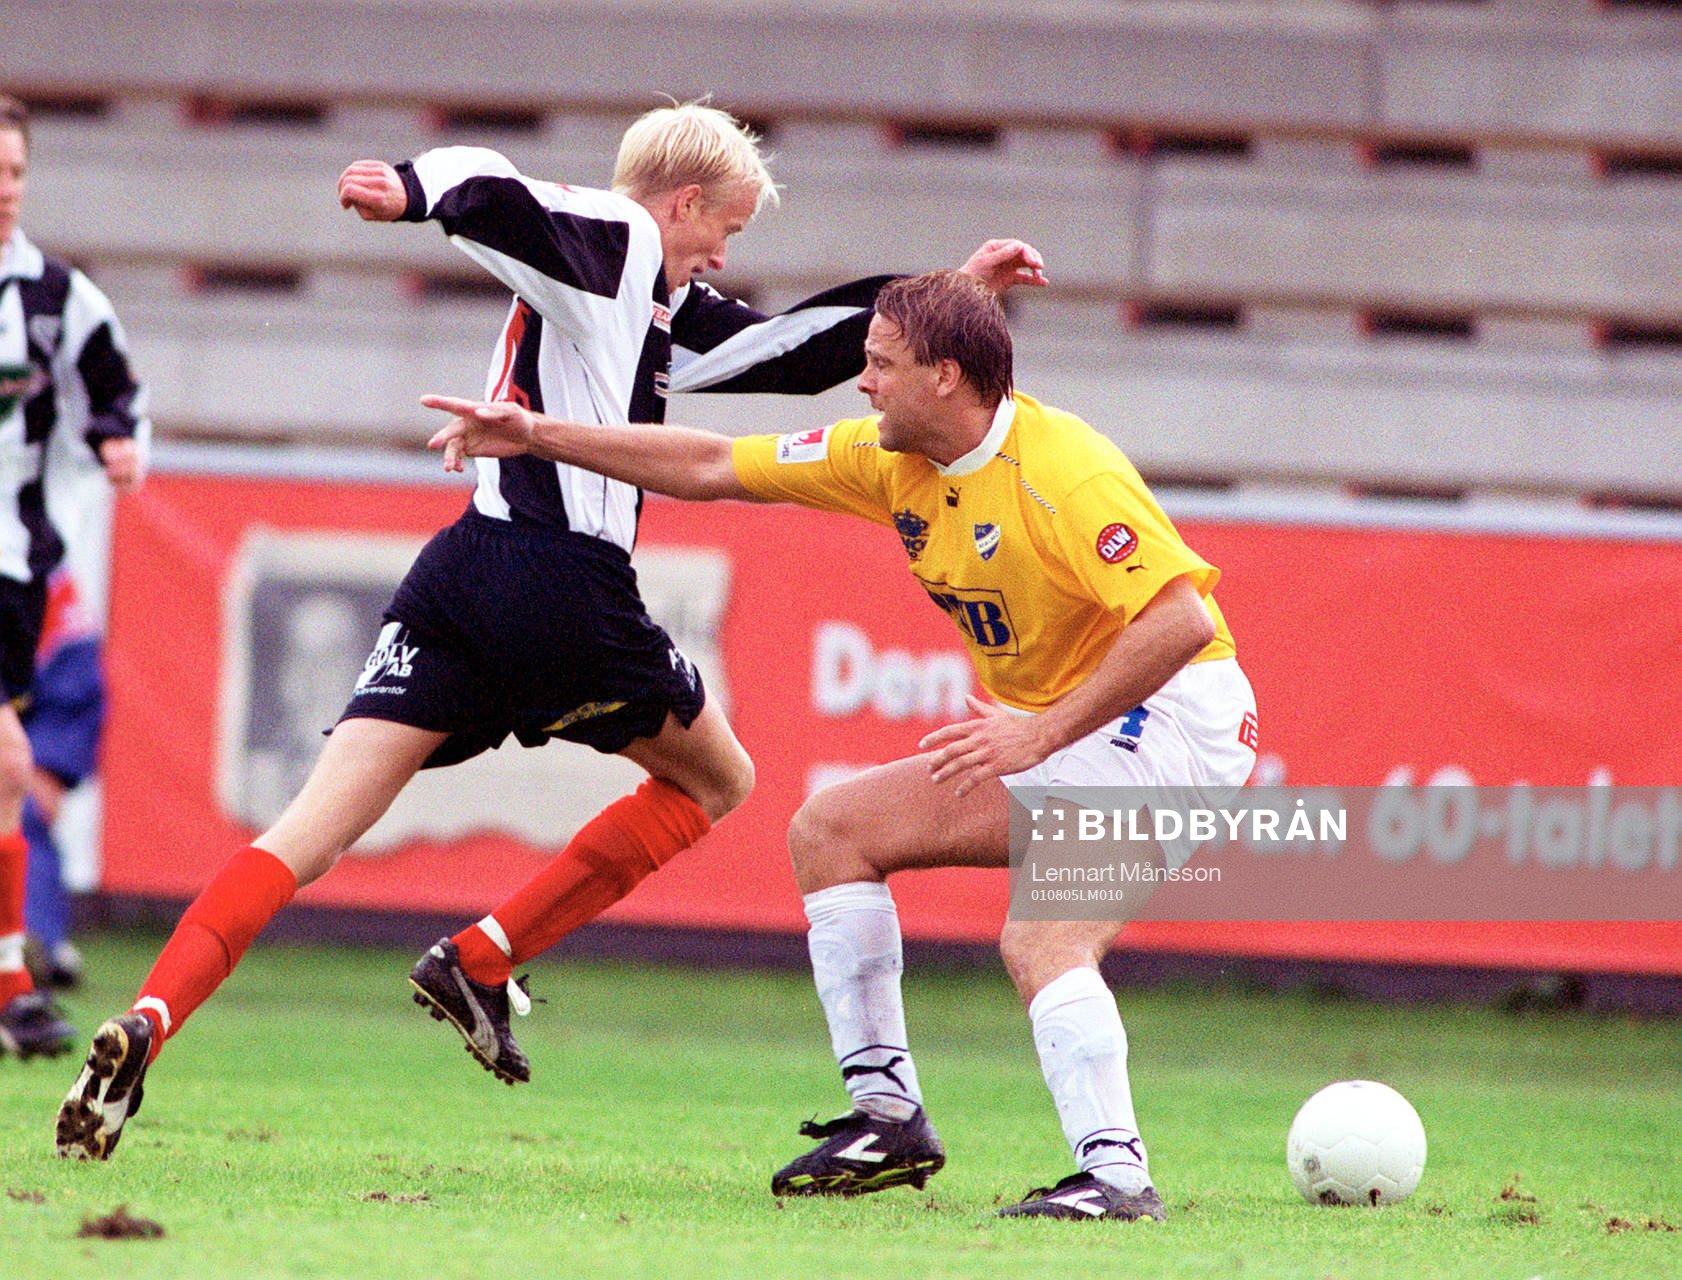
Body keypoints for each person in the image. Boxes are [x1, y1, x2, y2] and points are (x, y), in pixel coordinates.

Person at [56, 99, 1045, 1159]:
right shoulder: (619, 240)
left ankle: (148, 1020)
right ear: (683, 200)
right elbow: (511, 193)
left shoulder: (648, 308)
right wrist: (416, 189)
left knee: (307, 831)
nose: (722, 253)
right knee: (719, 779)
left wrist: (952, 299)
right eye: (727, 228)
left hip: (461, 571)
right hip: (561, 580)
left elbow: (782, 350)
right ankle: (486, 954)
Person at [416, 269, 1258, 1221]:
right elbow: (710, 465)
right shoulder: (886, 455)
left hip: (1177, 727)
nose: (860, 382)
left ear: (945, 377)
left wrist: (1044, 732)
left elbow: (1181, 622)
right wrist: (539, 437)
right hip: (1071, 729)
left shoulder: (1066, 470)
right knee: (831, 831)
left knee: (1043, 937)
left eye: (880, 364)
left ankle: (1118, 1178)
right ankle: (887, 1118)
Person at [0, 95, 146, 1060]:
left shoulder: (59, 299)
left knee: (5, 775)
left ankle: (13, 981)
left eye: (14, 172)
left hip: (11, 565)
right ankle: (13, 981)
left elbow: (119, 394)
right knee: (8, 765)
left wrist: (120, 443)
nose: (5, 190)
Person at [23, 568, 107, 991]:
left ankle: (35, 949)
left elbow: (75, 675)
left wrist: (49, 765)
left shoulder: (39, 566)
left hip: (23, 733)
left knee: (22, 808)